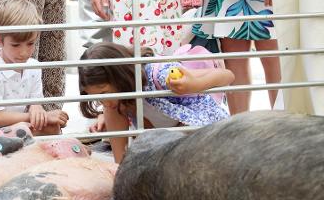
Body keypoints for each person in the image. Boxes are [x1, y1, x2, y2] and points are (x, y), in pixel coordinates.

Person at [78, 42, 234, 162]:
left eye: (104, 93)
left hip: (207, 141)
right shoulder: (114, 106)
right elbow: (121, 162)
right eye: (97, 97)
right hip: (169, 151)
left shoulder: (160, 75)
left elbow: (227, 75)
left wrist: (193, 85)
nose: (104, 102)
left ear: (119, 77)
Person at [0, 0, 69, 136]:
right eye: (15, 45)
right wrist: (37, 116)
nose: (24, 52)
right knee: (23, 130)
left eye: (30, 43)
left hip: (13, 128)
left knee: (52, 127)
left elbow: (35, 102)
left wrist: (38, 110)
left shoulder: (33, 67)